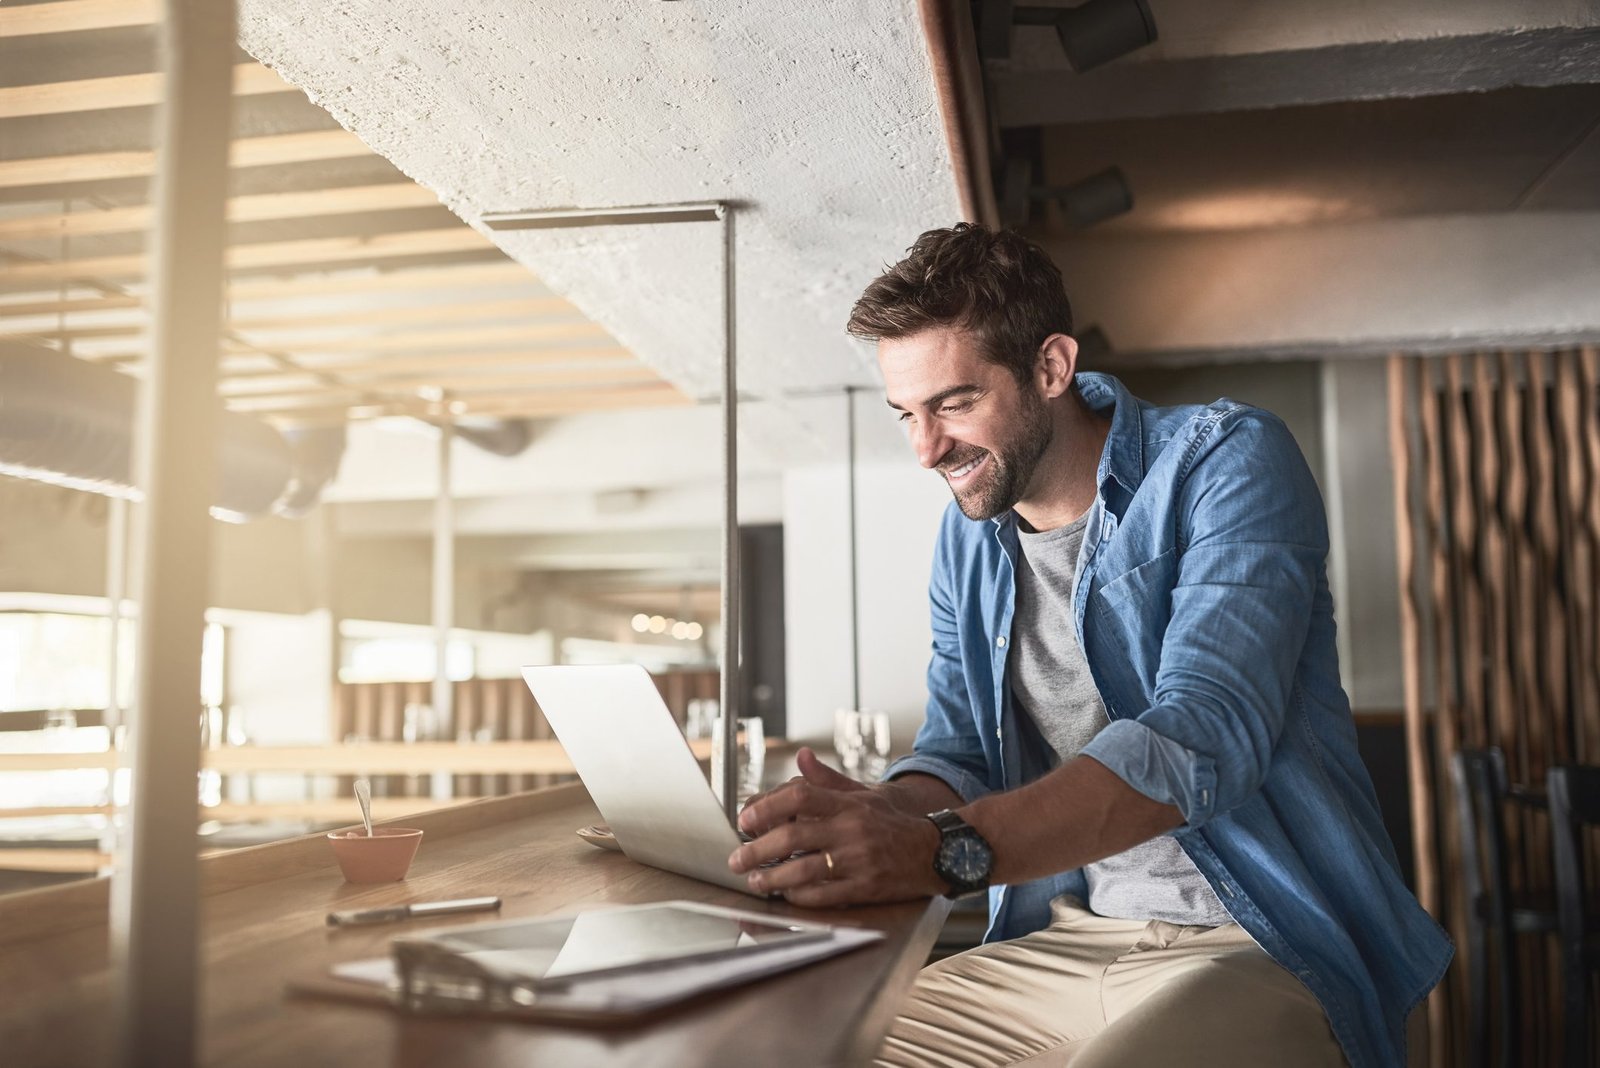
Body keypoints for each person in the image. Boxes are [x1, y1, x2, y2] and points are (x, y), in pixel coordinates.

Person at [727, 224, 1451, 1068]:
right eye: (906, 415)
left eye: (955, 403)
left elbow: (1204, 731)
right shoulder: (968, 539)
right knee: (798, 1048)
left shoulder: (1226, 461)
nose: (926, 449)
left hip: (1253, 939)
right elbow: (958, 750)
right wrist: (860, 818)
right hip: (1064, 939)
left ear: (1051, 367)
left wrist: (934, 852)